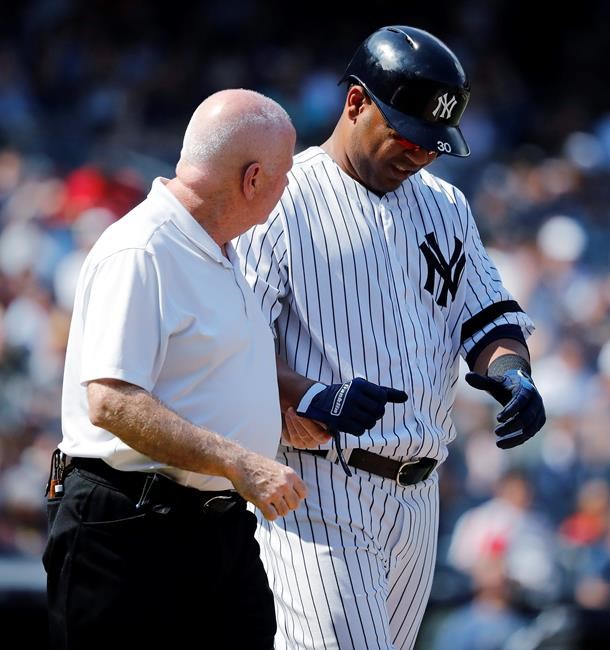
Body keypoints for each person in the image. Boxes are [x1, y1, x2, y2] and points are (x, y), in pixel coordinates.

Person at [233, 26, 546, 650]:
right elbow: (236, 341)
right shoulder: (283, 197)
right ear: (355, 104)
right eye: (407, 135)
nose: (421, 154)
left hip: (418, 498)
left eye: (434, 144)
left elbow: (489, 320)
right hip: (317, 483)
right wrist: (310, 393)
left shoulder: (446, 205)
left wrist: (512, 372)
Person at [43, 88, 307, 650]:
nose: (288, 189)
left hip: (217, 530)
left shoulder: (220, 249)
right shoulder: (142, 249)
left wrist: (283, 408)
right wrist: (241, 460)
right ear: (252, 178)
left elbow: (203, 376)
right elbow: (112, 401)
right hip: (129, 529)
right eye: (284, 175)